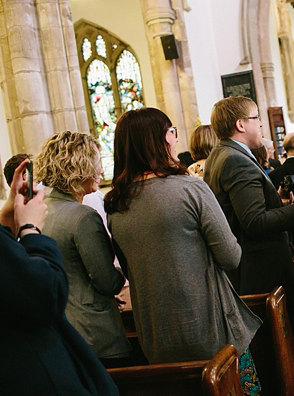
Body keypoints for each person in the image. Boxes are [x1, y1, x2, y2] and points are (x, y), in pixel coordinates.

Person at [105, 107, 262, 392]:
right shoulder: (190, 189)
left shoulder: (116, 205)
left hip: (156, 336)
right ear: (159, 140)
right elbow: (231, 256)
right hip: (210, 330)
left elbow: (131, 268)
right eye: (171, 131)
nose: (175, 139)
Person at [0, 159, 118, 396]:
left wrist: (5, 222)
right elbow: (45, 294)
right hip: (35, 374)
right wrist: (30, 230)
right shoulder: (82, 216)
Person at [204, 96, 294, 336]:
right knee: (282, 341)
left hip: (250, 268)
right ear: (241, 125)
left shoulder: (221, 153)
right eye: (256, 118)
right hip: (260, 270)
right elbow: (254, 222)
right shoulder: (235, 160)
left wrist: (278, 200)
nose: (261, 124)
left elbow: (239, 210)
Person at [35, 131, 130, 366]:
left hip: (62, 329)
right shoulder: (83, 217)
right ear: (79, 166)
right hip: (95, 335)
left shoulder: (42, 210)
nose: (100, 171)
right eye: (97, 163)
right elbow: (107, 281)